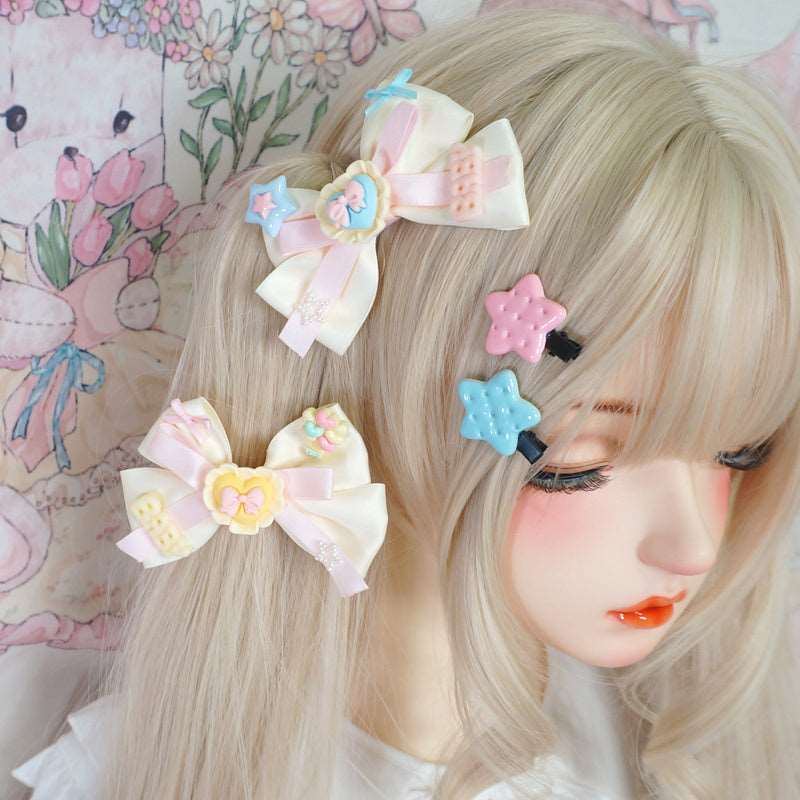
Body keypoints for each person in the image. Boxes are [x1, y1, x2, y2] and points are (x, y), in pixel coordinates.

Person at [12, 7, 800, 799]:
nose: (695, 547)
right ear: (400, 376)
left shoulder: (646, 748)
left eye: (738, 452)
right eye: (580, 460)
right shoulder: (147, 772)